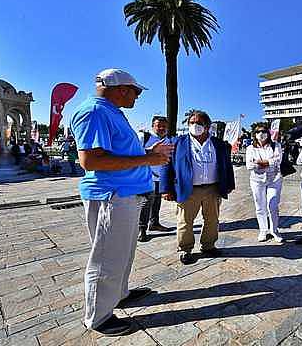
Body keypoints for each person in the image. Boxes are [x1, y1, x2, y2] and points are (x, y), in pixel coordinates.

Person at [70, 68, 173, 336]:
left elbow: (121, 153)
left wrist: (148, 153)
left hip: (123, 195)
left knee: (123, 254)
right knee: (106, 259)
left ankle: (118, 294)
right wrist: (147, 160)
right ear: (122, 89)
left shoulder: (111, 112)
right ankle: (98, 317)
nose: (137, 97)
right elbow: (91, 160)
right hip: (110, 196)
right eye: (136, 92)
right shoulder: (94, 111)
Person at [160, 110, 235, 265]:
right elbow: (166, 165)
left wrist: (229, 184)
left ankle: (208, 245)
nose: (195, 125)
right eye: (192, 122)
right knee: (185, 221)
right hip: (188, 189)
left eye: (199, 123)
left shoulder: (219, 144)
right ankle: (185, 249)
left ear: (207, 126)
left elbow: (227, 166)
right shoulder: (177, 142)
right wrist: (166, 188)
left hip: (212, 189)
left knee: (212, 219)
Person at [137, 116, 173, 242]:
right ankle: (141, 229)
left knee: (157, 201)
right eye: (159, 125)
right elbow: (134, 153)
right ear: (153, 125)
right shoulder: (144, 137)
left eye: (164, 126)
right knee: (147, 203)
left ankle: (154, 223)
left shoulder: (169, 140)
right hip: (146, 177)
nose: (162, 128)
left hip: (160, 178)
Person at [246, 124, 284, 242]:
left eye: (263, 131)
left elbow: (278, 161)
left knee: (273, 205)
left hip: (274, 179)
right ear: (255, 135)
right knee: (260, 206)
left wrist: (262, 163)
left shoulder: (275, 145)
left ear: (268, 133)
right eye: (258, 132)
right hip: (257, 180)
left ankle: (274, 230)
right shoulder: (250, 148)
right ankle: (263, 230)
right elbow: (249, 165)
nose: (261, 134)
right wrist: (268, 162)